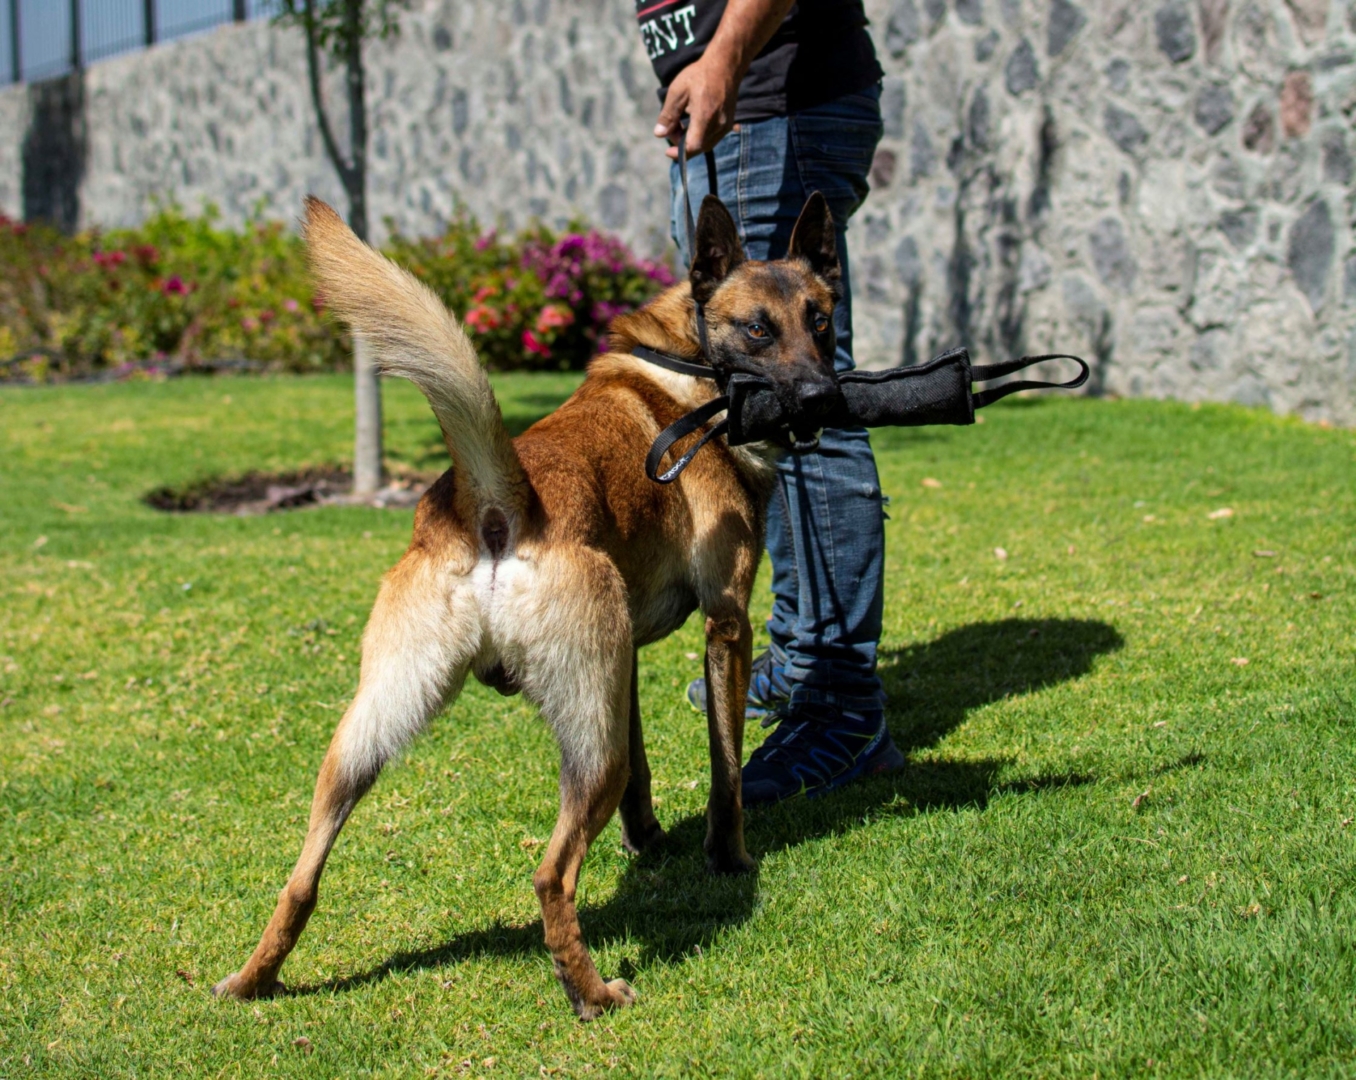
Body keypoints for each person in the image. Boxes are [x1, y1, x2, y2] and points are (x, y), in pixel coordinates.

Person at [634, 0, 903, 803]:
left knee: (806, 395)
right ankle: (795, 654)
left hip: (771, 103)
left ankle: (840, 707)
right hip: (738, 106)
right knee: (761, 402)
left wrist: (722, 60)